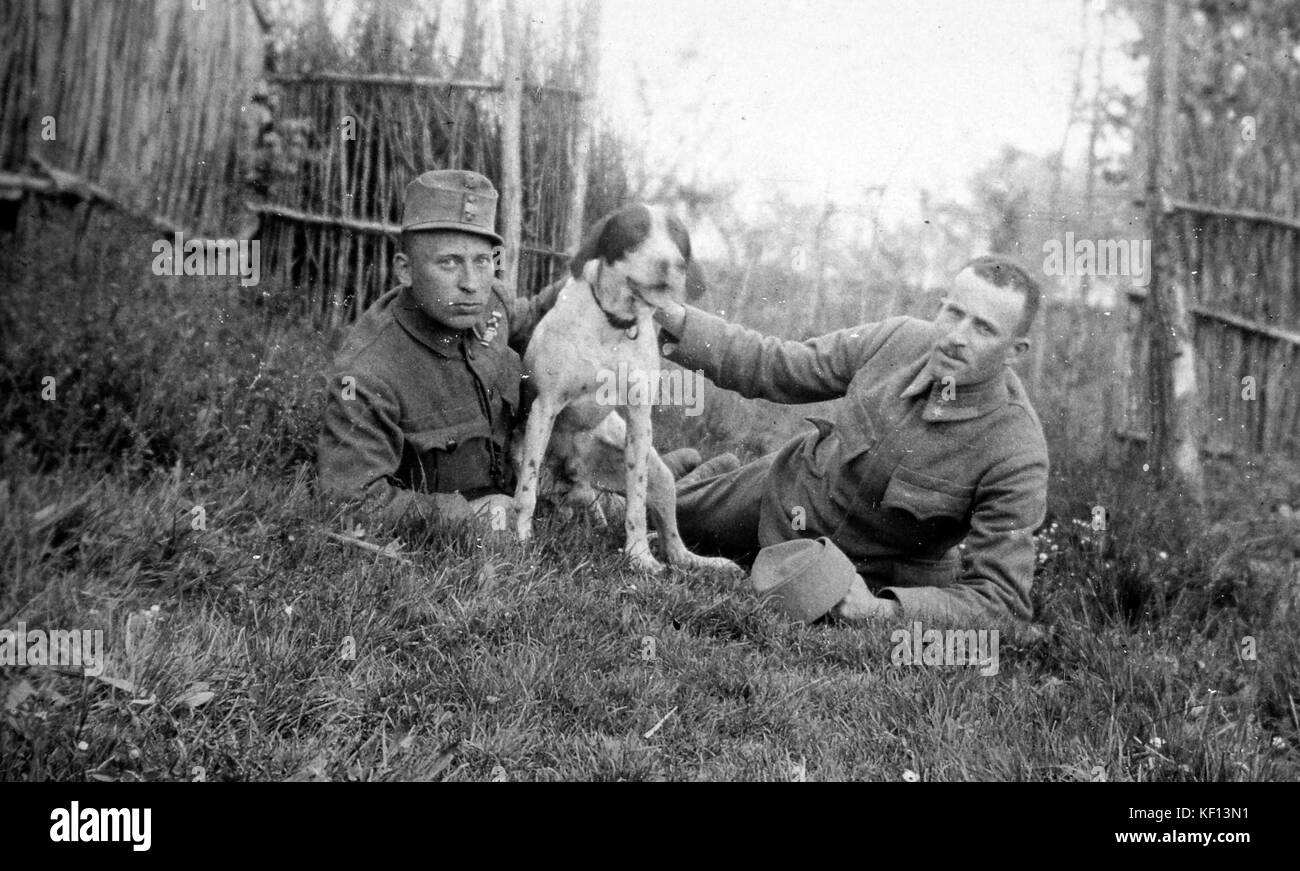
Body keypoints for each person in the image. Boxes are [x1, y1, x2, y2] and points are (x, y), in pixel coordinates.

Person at [659, 255, 1050, 626]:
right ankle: (696, 480)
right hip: (782, 497)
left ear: (1016, 351)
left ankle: (700, 474)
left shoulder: (1015, 450)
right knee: (653, 513)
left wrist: (881, 611)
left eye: (983, 328)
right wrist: (681, 324)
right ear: (940, 306)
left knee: (669, 513)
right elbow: (779, 365)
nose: (955, 337)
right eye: (954, 313)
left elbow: (1003, 602)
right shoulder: (894, 340)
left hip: (862, 574)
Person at [316, 169, 700, 532]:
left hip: (538, 473)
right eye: (449, 263)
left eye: (482, 261)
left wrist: (595, 278)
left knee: (658, 496)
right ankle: (695, 487)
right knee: (670, 507)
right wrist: (464, 515)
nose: (471, 284)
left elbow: (534, 315)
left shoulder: (491, 304)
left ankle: (682, 482)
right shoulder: (368, 374)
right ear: (404, 269)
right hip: (510, 498)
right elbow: (350, 499)